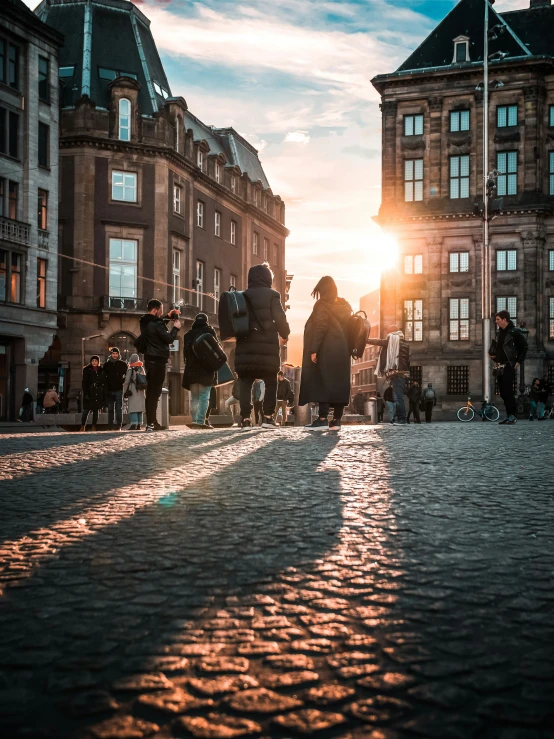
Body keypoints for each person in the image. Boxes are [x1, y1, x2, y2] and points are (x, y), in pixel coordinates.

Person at [234, 263, 290, 430]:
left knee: (245, 381)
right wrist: (285, 334)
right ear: (268, 278)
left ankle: (245, 418)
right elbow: (280, 318)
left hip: (245, 347)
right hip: (267, 349)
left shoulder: (241, 296)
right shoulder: (273, 295)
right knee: (271, 381)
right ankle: (267, 417)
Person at [300, 276, 352, 432]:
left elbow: (321, 326)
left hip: (327, 349)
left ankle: (322, 419)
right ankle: (336, 420)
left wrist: (314, 349)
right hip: (343, 351)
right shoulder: (345, 305)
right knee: (339, 383)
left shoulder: (322, 305)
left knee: (323, 382)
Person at [139, 299, 181, 432]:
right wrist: (176, 328)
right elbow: (168, 339)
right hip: (158, 360)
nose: (161, 312)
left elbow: (157, 324)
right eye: (161, 310)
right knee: (155, 393)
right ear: (155, 310)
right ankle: (151, 423)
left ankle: (151, 422)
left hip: (149, 360)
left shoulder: (145, 321)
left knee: (150, 392)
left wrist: (168, 317)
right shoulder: (156, 323)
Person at [489, 310, 528, 425]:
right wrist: (493, 354)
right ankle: (508, 415)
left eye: (498, 319)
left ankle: (513, 415)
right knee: (502, 392)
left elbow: (524, 347)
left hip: (508, 364)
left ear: (505, 319)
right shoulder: (499, 332)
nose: (496, 322)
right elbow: (499, 348)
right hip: (499, 365)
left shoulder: (515, 332)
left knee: (508, 391)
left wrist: (518, 361)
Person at [367, 325, 410, 424]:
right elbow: (408, 360)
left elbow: (379, 342)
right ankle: (401, 418)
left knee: (398, 397)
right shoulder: (404, 342)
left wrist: (365, 339)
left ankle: (402, 419)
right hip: (401, 372)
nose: (387, 335)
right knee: (398, 396)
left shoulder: (393, 340)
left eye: (388, 332)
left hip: (398, 372)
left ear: (391, 332)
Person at [182, 312, 217, 430]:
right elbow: (216, 349)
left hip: (191, 370)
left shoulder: (188, 335)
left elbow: (185, 354)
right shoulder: (210, 332)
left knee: (195, 397)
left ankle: (194, 420)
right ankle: (201, 421)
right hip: (206, 369)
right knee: (204, 397)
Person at [104, 347, 128, 430]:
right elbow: (104, 376)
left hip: (119, 389)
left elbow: (127, 375)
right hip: (109, 390)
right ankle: (110, 425)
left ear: (118, 354)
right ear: (111, 354)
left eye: (116, 354)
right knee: (110, 409)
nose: (115, 355)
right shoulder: (106, 365)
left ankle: (119, 425)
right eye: (113, 353)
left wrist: (122, 381)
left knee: (119, 409)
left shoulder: (122, 364)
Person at [80, 355, 106, 431]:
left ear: (98, 362)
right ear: (91, 362)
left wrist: (102, 391)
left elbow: (103, 382)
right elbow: (84, 383)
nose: (94, 362)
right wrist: (86, 393)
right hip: (89, 392)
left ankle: (94, 426)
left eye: (96, 361)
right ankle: (82, 426)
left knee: (96, 411)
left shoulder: (101, 370)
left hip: (98, 393)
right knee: (86, 411)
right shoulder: (87, 370)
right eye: (93, 361)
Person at [122, 353, 146, 430]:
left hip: (133, 391)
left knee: (133, 408)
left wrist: (124, 391)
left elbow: (126, 382)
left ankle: (133, 424)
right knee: (139, 409)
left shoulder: (131, 369)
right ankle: (139, 425)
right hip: (141, 391)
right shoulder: (142, 369)